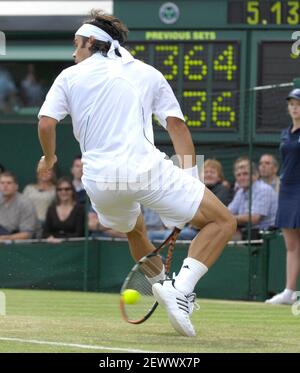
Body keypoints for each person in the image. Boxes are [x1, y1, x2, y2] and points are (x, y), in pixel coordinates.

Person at [37, 9, 236, 337]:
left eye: (77, 44)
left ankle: (162, 285)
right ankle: (182, 289)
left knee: (135, 230)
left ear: (91, 42)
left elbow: (46, 123)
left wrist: (49, 157)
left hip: (100, 181)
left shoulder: (68, 77)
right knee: (223, 221)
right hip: (145, 170)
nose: (74, 52)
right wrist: (189, 179)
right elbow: (176, 126)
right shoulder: (147, 73)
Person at [266, 89, 300, 305]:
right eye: (291, 104)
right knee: (291, 245)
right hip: (287, 190)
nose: (294, 107)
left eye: (298, 104)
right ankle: (289, 291)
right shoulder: (285, 133)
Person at [228, 158, 277, 237]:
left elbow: (254, 218)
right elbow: (228, 211)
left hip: (267, 236)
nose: (242, 178)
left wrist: (228, 218)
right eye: (238, 175)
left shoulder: (263, 189)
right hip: (249, 234)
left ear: (256, 175)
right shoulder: (240, 192)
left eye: (245, 174)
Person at [43, 177, 85, 242]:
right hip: (53, 245)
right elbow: (45, 232)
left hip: (73, 246)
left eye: (67, 189)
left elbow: (79, 233)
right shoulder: (51, 209)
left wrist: (61, 240)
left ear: (72, 191)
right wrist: (50, 238)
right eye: (59, 189)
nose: (63, 192)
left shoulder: (80, 209)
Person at [0, 171, 38, 240]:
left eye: (9, 183)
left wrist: (5, 238)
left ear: (16, 186)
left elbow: (28, 234)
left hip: (23, 242)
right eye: (2, 183)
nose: (5, 186)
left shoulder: (26, 203)